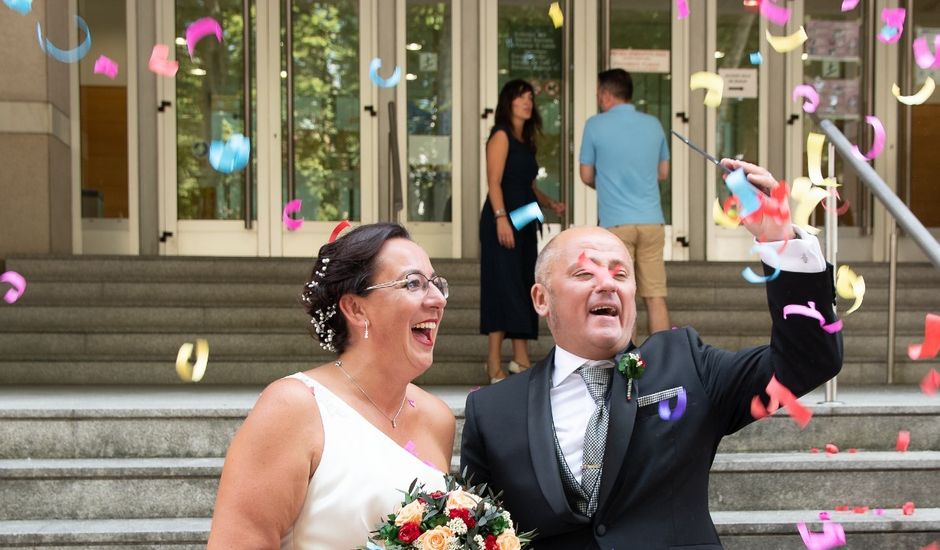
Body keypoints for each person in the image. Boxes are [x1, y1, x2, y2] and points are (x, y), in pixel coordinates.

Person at [461, 159, 843, 549]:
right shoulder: (491, 411)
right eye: (585, 273)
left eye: (620, 274)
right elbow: (479, 536)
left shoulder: (687, 364)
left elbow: (807, 361)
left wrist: (781, 241)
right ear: (542, 299)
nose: (607, 283)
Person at [208, 223, 455, 549]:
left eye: (437, 284)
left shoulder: (437, 418)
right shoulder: (295, 407)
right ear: (355, 308)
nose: (437, 299)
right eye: (413, 283)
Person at [480, 79, 566, 383]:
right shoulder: (500, 135)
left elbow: (526, 184)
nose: (527, 102)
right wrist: (501, 217)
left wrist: (550, 202)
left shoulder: (524, 139)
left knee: (521, 286)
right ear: (509, 102)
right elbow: (494, 181)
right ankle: (493, 364)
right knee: (502, 286)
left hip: (525, 219)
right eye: (521, 97)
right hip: (502, 220)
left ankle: (520, 358)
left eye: (530, 97)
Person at [580, 68, 672, 335]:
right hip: (652, 221)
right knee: (655, 295)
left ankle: (627, 365)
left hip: (615, 225)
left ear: (607, 95)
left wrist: (608, 183)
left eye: (599, 94)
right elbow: (663, 173)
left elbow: (586, 174)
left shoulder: (595, 124)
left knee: (621, 295)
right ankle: (665, 362)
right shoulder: (653, 124)